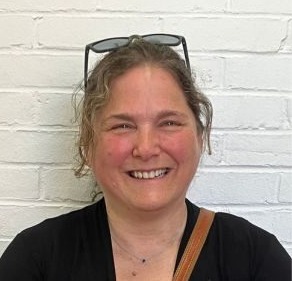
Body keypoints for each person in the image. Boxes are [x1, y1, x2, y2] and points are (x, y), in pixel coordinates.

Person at [0, 34, 290, 281]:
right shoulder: (36, 259)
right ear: (88, 144)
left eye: (169, 122)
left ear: (200, 137)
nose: (147, 148)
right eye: (123, 126)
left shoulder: (254, 259)